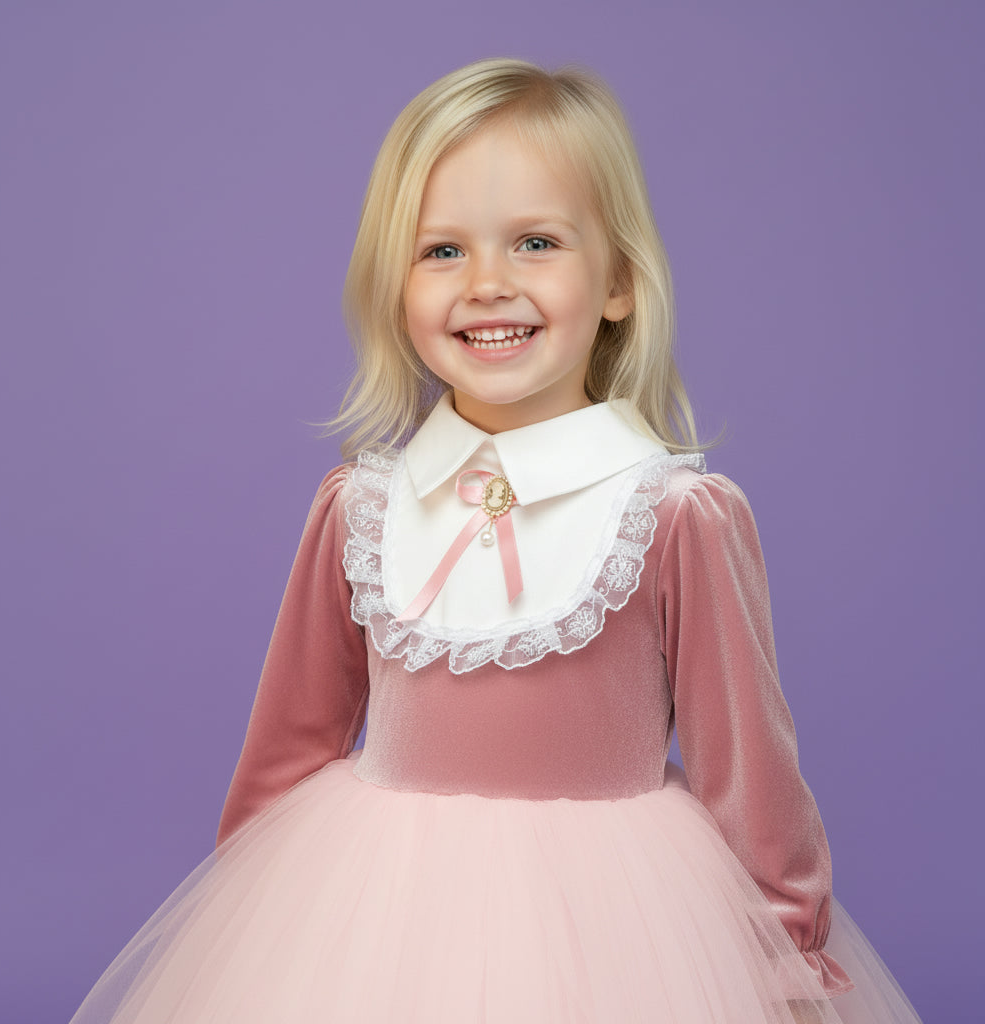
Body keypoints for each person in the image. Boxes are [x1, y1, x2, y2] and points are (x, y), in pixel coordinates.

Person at [70, 58, 923, 1023]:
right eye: (442, 251)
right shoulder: (362, 507)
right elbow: (287, 746)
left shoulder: (673, 514)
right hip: (378, 920)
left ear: (619, 282)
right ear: (395, 288)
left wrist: (786, 957)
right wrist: (247, 927)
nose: (487, 284)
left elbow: (752, 775)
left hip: (615, 931)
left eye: (535, 243)